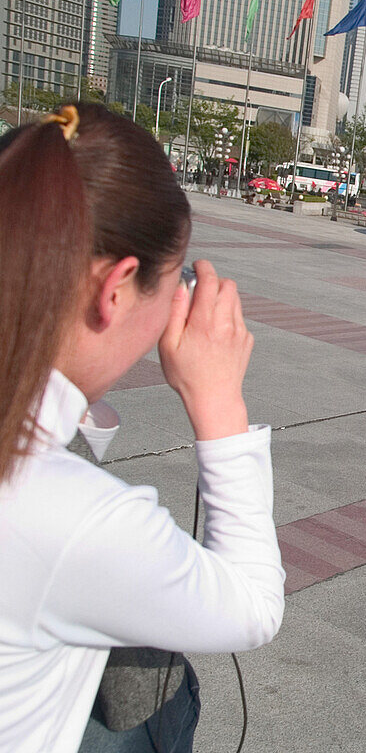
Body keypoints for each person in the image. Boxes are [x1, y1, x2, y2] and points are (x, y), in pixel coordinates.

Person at [0, 104, 284, 752]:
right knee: (168, 701)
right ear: (117, 289)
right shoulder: (72, 516)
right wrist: (218, 403)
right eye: (174, 279)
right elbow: (251, 607)